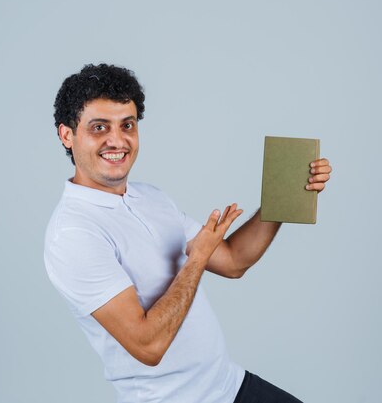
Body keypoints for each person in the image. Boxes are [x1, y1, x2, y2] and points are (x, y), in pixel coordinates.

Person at [44, 63, 332, 403]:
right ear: (67, 134)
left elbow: (233, 260)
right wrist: (196, 259)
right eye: (99, 127)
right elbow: (148, 346)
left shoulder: (151, 197)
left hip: (229, 386)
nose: (117, 140)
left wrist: (287, 194)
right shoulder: (74, 234)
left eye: (128, 125)